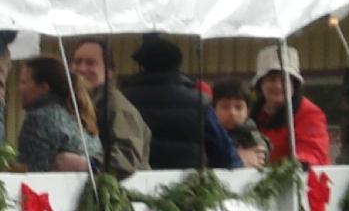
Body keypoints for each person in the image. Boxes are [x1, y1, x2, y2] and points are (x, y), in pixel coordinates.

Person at [119, 33, 240, 171]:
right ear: (178, 64)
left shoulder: (124, 100)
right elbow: (225, 155)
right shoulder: (199, 101)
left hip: (136, 185)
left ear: (142, 66)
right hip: (189, 187)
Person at [67, 37, 150, 177]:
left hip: (118, 193)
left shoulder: (117, 107)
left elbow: (127, 158)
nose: (81, 68)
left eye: (90, 63)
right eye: (77, 62)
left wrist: (86, 165)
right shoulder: (74, 103)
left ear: (109, 71)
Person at [15, 57, 100, 173]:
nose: (18, 89)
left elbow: (32, 173)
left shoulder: (39, 119)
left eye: (23, 82)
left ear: (44, 88)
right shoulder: (77, 115)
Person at [252, 44, 331, 166]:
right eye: (271, 79)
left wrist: (297, 164)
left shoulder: (309, 113)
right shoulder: (252, 114)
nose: (278, 86)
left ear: (294, 84)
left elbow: (313, 151)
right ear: (260, 84)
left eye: (284, 80)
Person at [211, 76, 270, 169]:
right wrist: (236, 157)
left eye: (238, 107)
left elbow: (262, 154)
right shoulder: (206, 135)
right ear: (213, 109)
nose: (232, 113)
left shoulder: (252, 135)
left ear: (248, 111)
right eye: (225, 107)